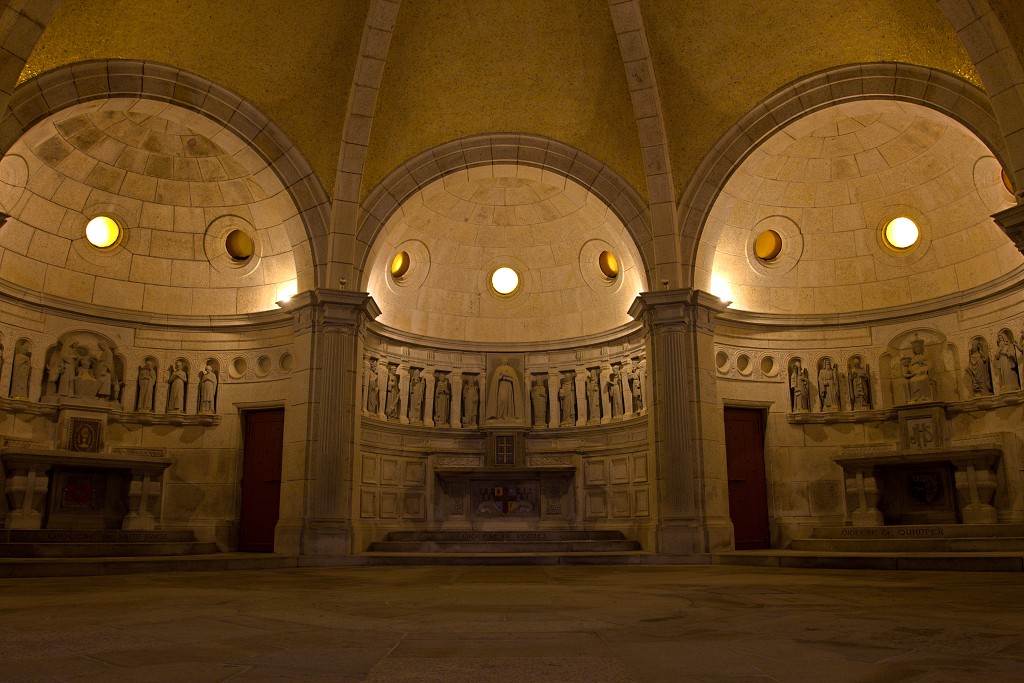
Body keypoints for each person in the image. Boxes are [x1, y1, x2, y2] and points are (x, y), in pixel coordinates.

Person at [904, 338, 933, 403]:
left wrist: (922, 369)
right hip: (914, 375)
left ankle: (925, 397)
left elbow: (930, 366)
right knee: (912, 380)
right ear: (914, 349)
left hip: (923, 373)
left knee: (923, 378)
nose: (917, 349)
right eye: (916, 348)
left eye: (919, 348)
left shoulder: (925, 356)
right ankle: (915, 398)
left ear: (921, 348)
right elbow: (909, 367)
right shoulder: (912, 358)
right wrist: (911, 370)